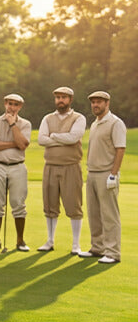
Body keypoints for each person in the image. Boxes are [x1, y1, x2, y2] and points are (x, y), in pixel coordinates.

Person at [37, 86, 86, 252]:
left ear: (70, 100)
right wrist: (62, 139)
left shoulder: (79, 118)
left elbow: (73, 138)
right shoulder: (47, 118)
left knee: (73, 205)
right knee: (50, 205)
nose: (60, 100)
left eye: (63, 97)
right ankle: (50, 241)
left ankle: (76, 245)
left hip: (71, 166)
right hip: (50, 166)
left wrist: (54, 136)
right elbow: (41, 140)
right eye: (57, 97)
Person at [0, 94, 32, 252]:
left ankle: (20, 241)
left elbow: (23, 146)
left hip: (17, 166)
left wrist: (13, 125)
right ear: (5, 104)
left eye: (15, 105)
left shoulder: (25, 124)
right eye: (10, 104)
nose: (12, 107)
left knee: (18, 203)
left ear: (20, 107)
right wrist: (14, 143)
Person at [81, 91, 124, 263]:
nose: (95, 105)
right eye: (93, 102)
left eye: (99, 102)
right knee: (94, 214)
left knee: (109, 215)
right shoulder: (95, 123)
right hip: (92, 173)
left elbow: (120, 149)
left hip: (107, 174)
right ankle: (97, 248)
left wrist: (113, 174)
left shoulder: (115, 123)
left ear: (107, 103)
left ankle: (113, 252)